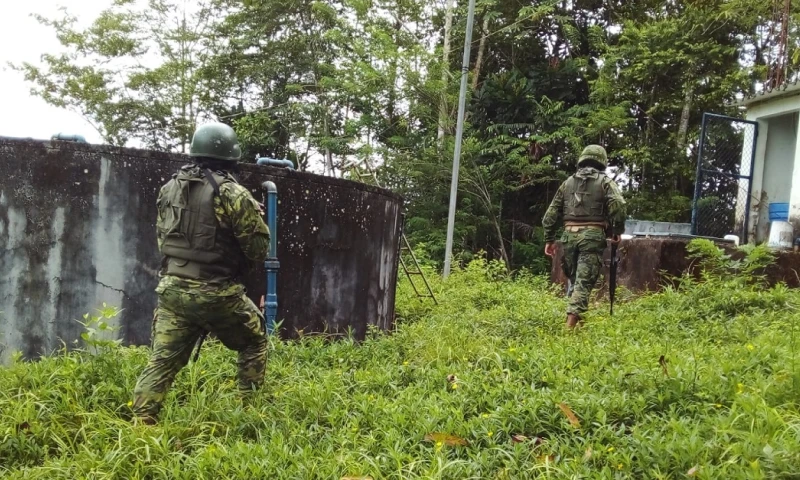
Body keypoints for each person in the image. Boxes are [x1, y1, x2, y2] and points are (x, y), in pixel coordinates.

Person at [132, 122, 270, 424]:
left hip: (171, 289)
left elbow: (163, 238)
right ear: (231, 157)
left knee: (162, 360)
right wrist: (254, 218)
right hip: (216, 291)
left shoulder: (169, 188)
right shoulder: (234, 193)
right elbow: (258, 249)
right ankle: (251, 412)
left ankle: (142, 425)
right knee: (254, 342)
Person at [542, 144, 626, 329]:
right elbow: (618, 205)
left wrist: (549, 239)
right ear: (602, 161)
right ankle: (568, 330)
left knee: (576, 281)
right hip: (592, 236)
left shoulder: (568, 183)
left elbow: (549, 216)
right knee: (582, 284)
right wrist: (616, 231)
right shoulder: (605, 182)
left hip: (568, 237)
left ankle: (581, 325)